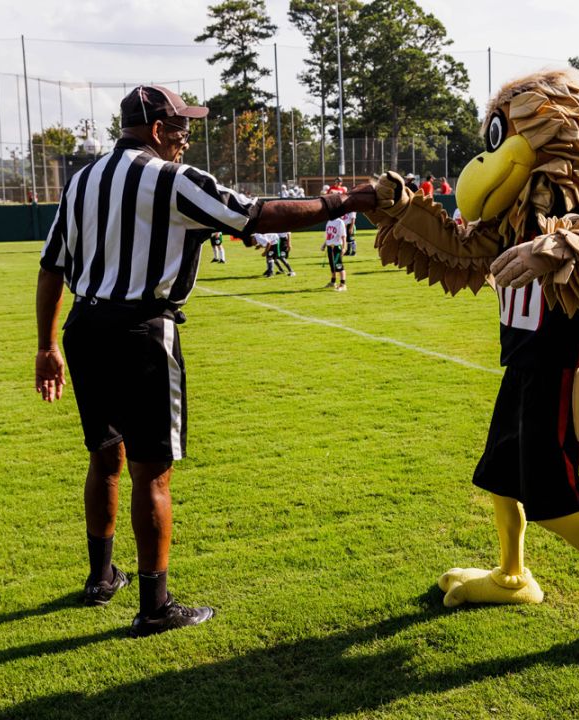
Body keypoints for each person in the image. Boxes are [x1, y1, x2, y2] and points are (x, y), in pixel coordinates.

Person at [35, 84, 376, 638]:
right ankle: (155, 606)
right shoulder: (171, 179)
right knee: (153, 470)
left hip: (84, 326)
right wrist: (346, 201)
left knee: (105, 453)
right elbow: (258, 214)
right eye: (180, 126)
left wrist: (47, 345)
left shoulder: (82, 180)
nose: (187, 136)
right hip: (141, 329)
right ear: (154, 128)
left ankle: (101, 580)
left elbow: (52, 266)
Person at [323, 214, 348, 291]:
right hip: (329, 246)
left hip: (337, 247)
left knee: (339, 265)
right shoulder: (329, 221)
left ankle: (343, 284)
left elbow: (343, 236)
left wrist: (344, 247)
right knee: (332, 265)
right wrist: (324, 244)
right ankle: (333, 282)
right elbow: (328, 235)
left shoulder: (340, 222)